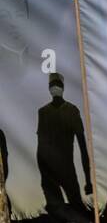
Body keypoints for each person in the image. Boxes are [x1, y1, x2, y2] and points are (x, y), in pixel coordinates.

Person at [36, 72, 92, 210]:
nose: (54, 87)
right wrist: (44, 175)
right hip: (48, 170)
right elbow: (40, 145)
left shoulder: (72, 111)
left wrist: (88, 180)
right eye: (52, 85)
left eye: (57, 84)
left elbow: (83, 147)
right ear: (49, 88)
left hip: (67, 169)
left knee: (77, 210)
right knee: (57, 213)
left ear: (62, 87)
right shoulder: (43, 112)